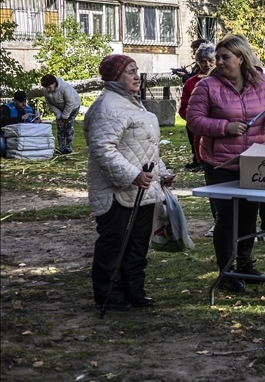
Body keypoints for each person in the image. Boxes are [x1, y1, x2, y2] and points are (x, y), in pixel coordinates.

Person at [186, 35, 265, 293]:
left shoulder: (261, 82)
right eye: (216, 58)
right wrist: (224, 127)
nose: (218, 62)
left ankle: (244, 264)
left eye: (224, 57)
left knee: (248, 216)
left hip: (254, 162)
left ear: (241, 59)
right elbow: (193, 120)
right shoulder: (206, 86)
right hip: (220, 163)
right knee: (226, 218)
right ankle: (226, 271)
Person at [85, 54, 175, 310]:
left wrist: (161, 173)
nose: (137, 76)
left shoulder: (133, 104)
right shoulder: (108, 107)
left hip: (143, 189)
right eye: (129, 71)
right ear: (115, 77)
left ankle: (134, 291)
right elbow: (102, 149)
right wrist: (132, 175)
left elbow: (146, 148)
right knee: (114, 243)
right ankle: (109, 295)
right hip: (116, 191)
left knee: (137, 243)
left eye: (137, 70)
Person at [179, 43, 217, 172]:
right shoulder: (191, 83)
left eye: (211, 60)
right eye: (203, 61)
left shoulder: (227, 79)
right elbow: (183, 109)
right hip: (200, 131)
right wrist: (198, 119)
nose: (207, 65)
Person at [41, 74, 82, 155]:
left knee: (68, 125)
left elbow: (70, 103)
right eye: (46, 88)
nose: (48, 90)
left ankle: (68, 148)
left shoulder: (64, 88)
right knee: (60, 127)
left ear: (54, 83)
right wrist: (59, 115)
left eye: (49, 87)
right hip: (59, 108)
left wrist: (64, 117)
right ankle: (61, 148)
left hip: (73, 106)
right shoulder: (45, 91)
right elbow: (50, 104)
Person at [1, 91, 40, 158]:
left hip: (26, 136)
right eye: (21, 102)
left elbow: (34, 121)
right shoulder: (5, 108)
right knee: (2, 146)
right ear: (15, 101)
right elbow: (3, 120)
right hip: (5, 135)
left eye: (25, 101)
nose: (24, 104)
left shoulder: (29, 109)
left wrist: (37, 121)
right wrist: (21, 118)